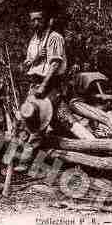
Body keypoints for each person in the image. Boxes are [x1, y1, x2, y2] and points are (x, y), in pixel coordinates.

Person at [15, 9, 71, 172]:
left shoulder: (54, 37)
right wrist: (35, 58)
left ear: (46, 20)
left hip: (49, 84)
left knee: (37, 125)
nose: (35, 24)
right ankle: (15, 158)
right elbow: (27, 64)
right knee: (25, 119)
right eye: (33, 20)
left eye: (39, 20)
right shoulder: (34, 40)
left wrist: (43, 87)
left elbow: (54, 66)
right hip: (34, 84)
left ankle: (24, 163)